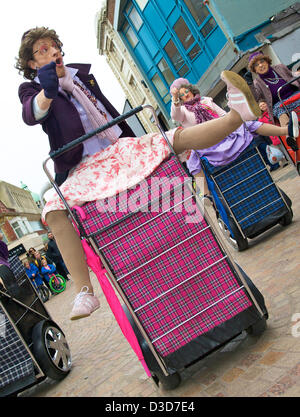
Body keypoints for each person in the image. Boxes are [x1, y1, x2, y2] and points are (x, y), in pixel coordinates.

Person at [17, 27, 298, 321]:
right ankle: (85, 291)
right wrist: (48, 92)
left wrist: (135, 139)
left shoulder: (81, 77)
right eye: (42, 51)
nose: (52, 52)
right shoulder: (34, 90)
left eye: (54, 46)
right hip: (84, 164)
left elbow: (108, 113)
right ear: (33, 64)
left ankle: (238, 116)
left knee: (176, 138)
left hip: (118, 149)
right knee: (53, 211)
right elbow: (31, 113)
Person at [169, 78, 295, 188]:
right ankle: (205, 194)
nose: (186, 95)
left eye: (186, 91)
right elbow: (175, 115)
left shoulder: (206, 101)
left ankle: (287, 131)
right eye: (182, 95)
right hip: (206, 144)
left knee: (249, 124)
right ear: (179, 99)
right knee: (192, 161)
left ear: (191, 90)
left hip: (223, 135)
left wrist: (235, 121)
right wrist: (174, 99)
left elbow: (224, 115)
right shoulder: (183, 111)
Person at [246, 51, 300, 150]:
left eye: (262, 61)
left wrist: (297, 74)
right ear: (255, 70)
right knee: (279, 110)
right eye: (257, 65)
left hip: (295, 95)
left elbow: (292, 76)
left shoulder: (280, 67)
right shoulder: (257, 82)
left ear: (267, 61)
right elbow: (257, 97)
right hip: (280, 104)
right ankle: (289, 135)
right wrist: (250, 84)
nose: (261, 65)